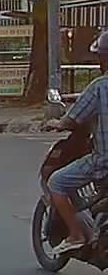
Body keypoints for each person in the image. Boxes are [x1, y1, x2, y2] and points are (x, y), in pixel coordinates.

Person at [41, 30, 108, 255]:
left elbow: (72, 120)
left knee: (56, 182)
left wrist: (56, 123)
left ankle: (76, 235)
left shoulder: (100, 87)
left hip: (104, 162)